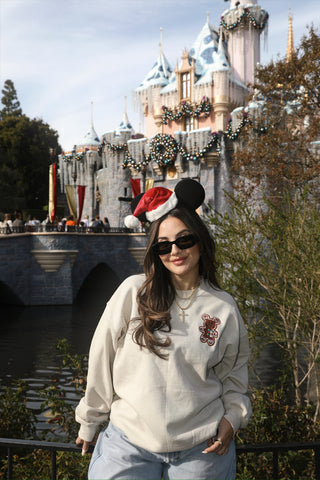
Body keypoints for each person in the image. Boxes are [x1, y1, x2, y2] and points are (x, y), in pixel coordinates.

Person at [75, 178, 251, 480]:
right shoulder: (133, 292)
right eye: (164, 245)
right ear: (155, 250)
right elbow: (102, 357)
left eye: (184, 240)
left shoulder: (223, 307)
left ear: (200, 239)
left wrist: (233, 418)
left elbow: (234, 376)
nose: (175, 251)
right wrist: (90, 420)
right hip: (129, 441)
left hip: (201, 446)